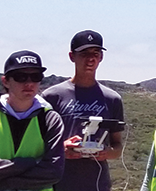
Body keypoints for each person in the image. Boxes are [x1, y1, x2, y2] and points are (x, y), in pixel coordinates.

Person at [0, 51, 65, 191]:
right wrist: (30, 163)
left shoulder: (50, 120)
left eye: (35, 77)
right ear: (5, 81)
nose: (29, 83)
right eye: (21, 77)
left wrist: (3, 183)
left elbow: (53, 171)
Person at [41, 31, 125, 191]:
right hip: (58, 184)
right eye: (84, 53)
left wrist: (107, 152)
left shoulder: (112, 99)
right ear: (72, 56)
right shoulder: (52, 96)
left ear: (101, 57)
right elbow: (37, 144)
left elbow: (117, 146)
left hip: (98, 185)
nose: (90, 58)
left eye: (96, 53)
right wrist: (61, 149)